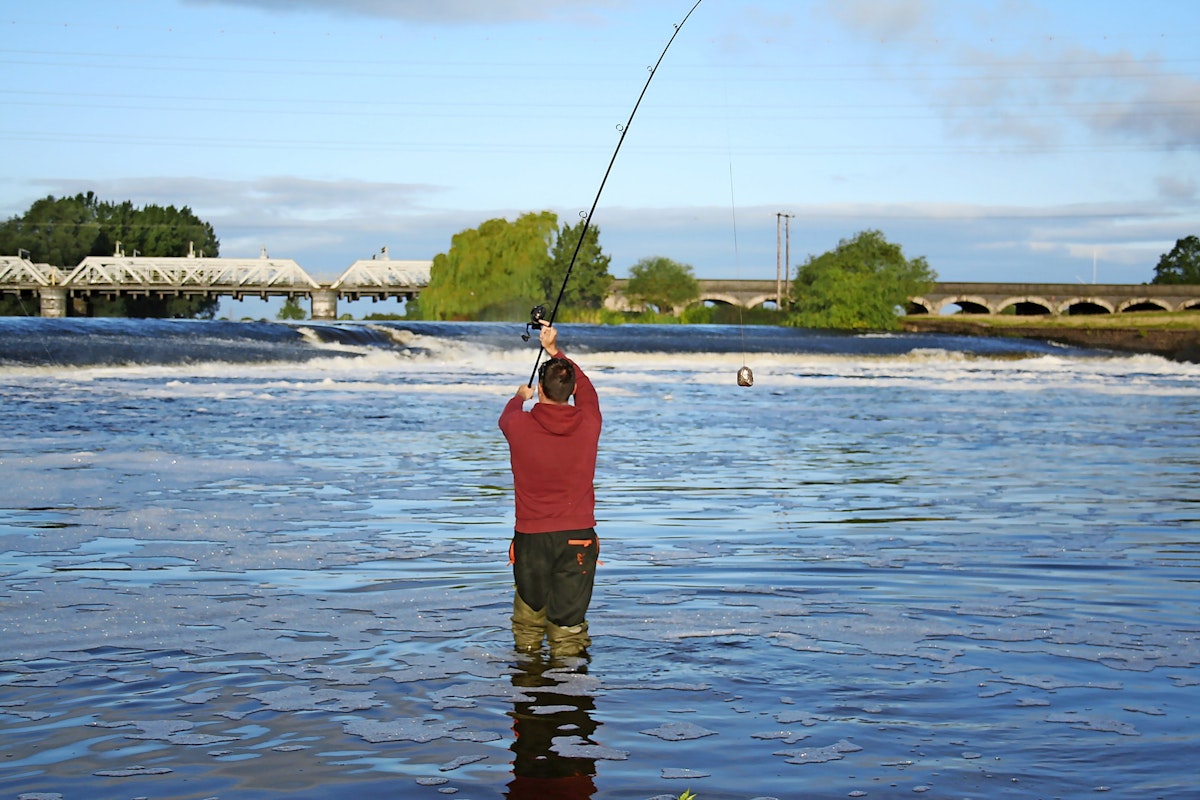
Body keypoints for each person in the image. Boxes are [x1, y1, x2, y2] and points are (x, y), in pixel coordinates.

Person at [499, 324, 601, 658]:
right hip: (578, 539)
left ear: (540, 387)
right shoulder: (589, 421)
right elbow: (586, 385)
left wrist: (519, 396)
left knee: (528, 626)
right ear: (570, 392)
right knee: (568, 632)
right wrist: (555, 350)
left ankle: (528, 694)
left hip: (532, 539)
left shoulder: (519, 424)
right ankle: (570, 697)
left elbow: (507, 416)